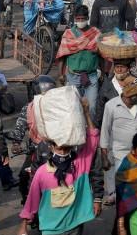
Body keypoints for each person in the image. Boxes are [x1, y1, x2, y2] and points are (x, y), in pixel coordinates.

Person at [18, 97, 103, 235]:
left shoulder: (79, 166)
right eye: (59, 149)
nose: (63, 153)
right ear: (51, 148)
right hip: (50, 228)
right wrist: (23, 226)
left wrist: (86, 113)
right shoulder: (41, 172)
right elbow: (32, 200)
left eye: (66, 149)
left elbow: (93, 138)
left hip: (74, 225)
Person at [101, 80, 137, 207]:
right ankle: (121, 219)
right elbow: (105, 131)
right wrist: (104, 156)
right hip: (120, 153)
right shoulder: (111, 106)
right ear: (127, 97)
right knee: (122, 189)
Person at [56, 5, 104, 104]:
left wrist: (103, 73)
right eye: (78, 19)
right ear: (75, 19)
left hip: (91, 76)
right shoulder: (68, 35)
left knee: (91, 106)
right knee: (75, 107)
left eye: (83, 19)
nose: (81, 21)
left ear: (88, 18)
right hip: (73, 76)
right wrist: (61, 74)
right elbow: (62, 55)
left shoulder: (96, 34)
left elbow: (101, 55)